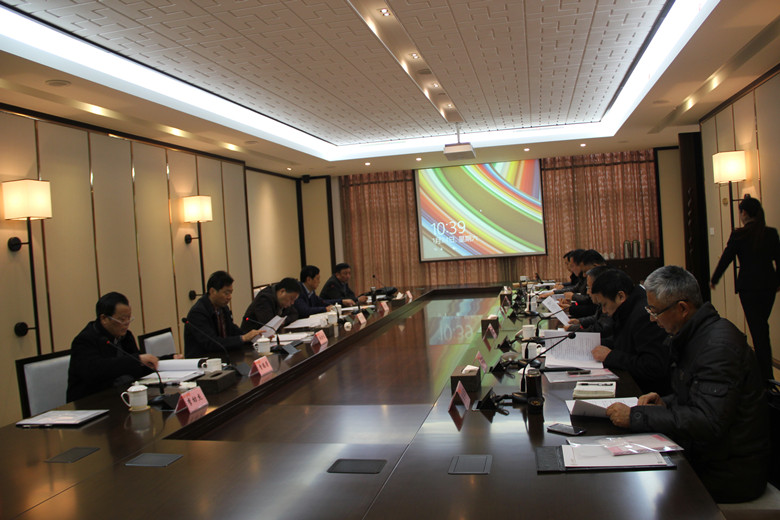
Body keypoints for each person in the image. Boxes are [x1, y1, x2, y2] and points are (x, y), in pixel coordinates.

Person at [606, 266, 769, 503]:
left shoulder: (718, 347)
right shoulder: (696, 336)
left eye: (655, 311)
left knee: (632, 493)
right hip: (709, 456)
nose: (652, 319)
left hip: (730, 472)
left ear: (682, 308)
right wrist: (665, 402)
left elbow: (708, 420)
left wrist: (637, 417)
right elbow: (697, 396)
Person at [710, 195, 779, 381]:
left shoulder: (739, 235)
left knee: (758, 329)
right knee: (761, 326)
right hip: (768, 286)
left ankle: (765, 375)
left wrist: (714, 279)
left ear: (745, 213)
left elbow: (726, 258)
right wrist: (777, 282)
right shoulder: (770, 233)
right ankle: (765, 372)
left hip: (748, 287)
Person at [589, 269, 670, 394]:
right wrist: (594, 344)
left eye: (604, 304)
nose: (604, 311)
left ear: (620, 296)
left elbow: (653, 366)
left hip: (645, 392)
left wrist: (610, 356)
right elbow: (623, 342)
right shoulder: (627, 309)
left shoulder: (644, 316)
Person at [67, 292, 158, 402]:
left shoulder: (126, 336)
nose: (127, 323)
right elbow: (96, 370)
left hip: (123, 395)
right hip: (92, 401)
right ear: (104, 318)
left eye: (129, 318)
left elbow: (138, 367)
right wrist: (137, 360)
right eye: (122, 319)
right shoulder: (85, 340)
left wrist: (164, 359)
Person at [184, 271, 262, 358]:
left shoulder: (223, 308)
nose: (229, 297)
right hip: (203, 360)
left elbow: (232, 330)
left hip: (222, 356)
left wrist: (253, 337)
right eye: (226, 293)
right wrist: (242, 338)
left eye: (231, 293)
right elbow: (212, 343)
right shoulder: (198, 313)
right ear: (212, 291)